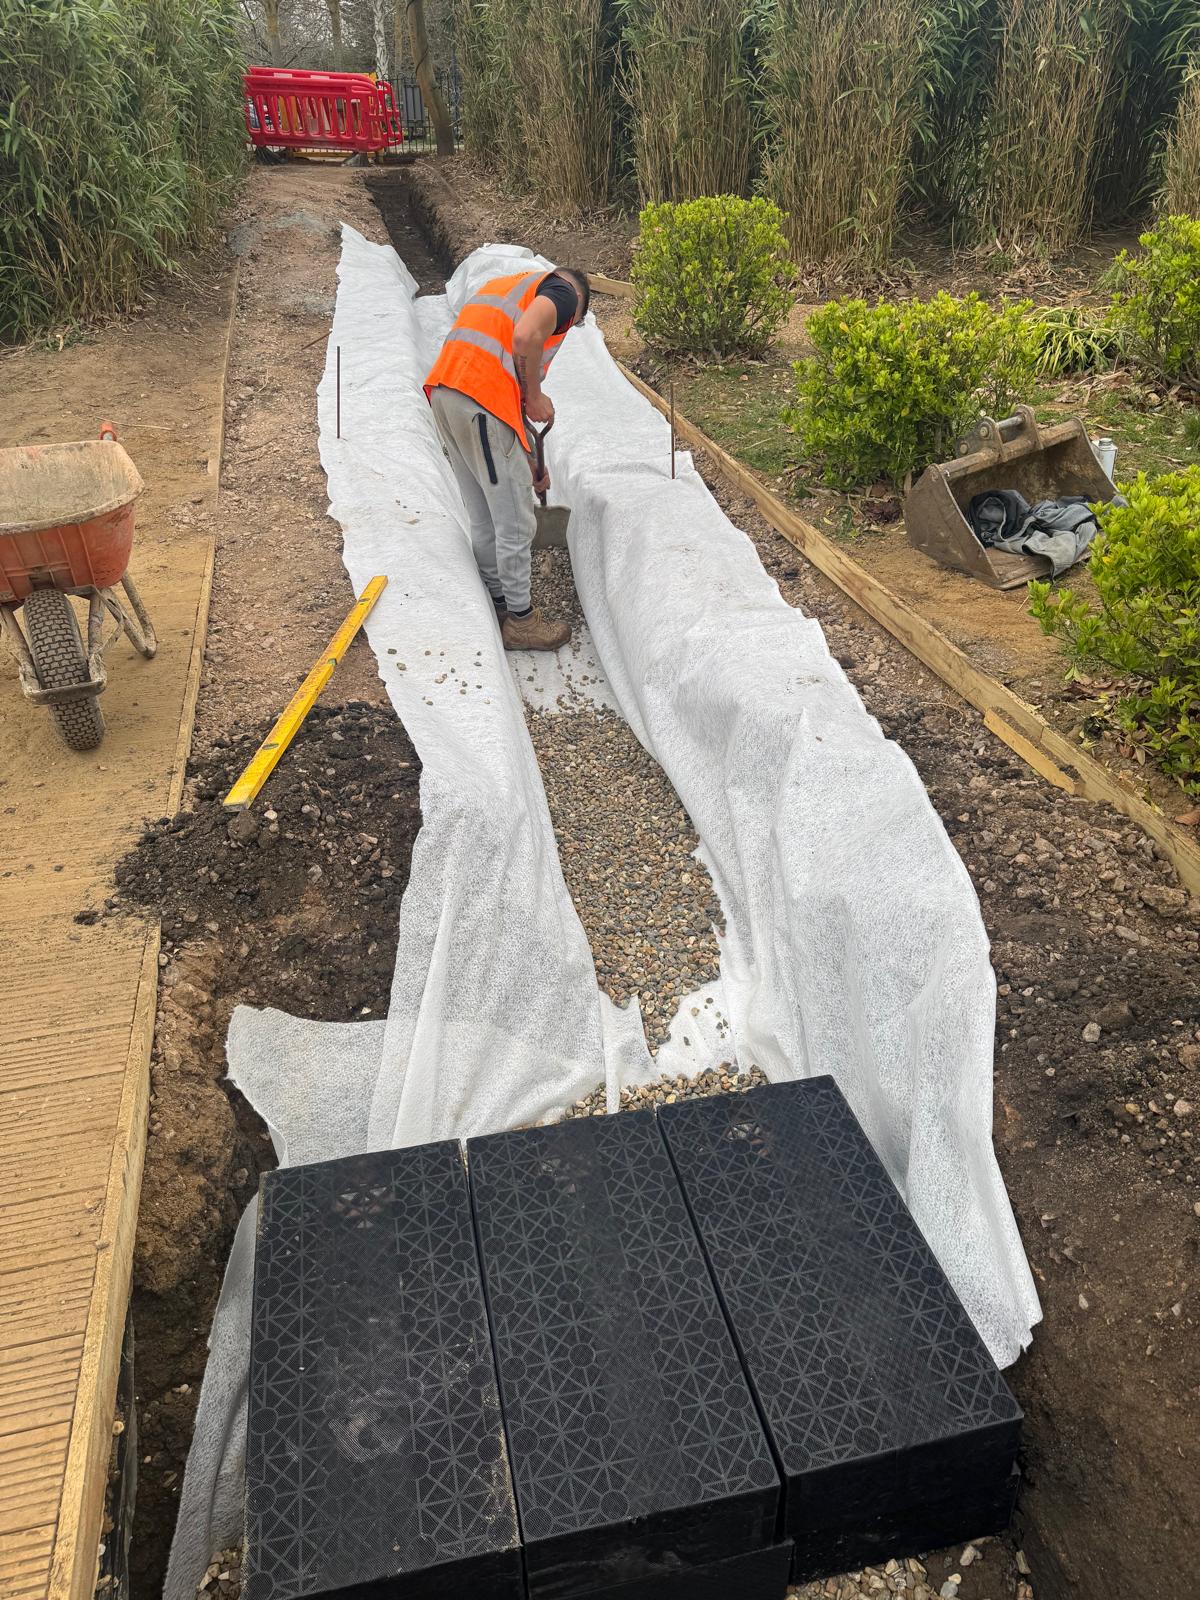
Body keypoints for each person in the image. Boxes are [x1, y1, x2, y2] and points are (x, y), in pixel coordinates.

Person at [424, 265, 590, 651]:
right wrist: (534, 395)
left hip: (449, 395)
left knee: (482, 512)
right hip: (481, 404)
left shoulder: (504, 289)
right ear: (578, 306)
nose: (564, 329)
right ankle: (521, 620)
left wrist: (529, 461)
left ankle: (497, 602)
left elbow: (503, 364)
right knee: (514, 521)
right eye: (572, 325)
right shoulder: (565, 293)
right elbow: (525, 337)